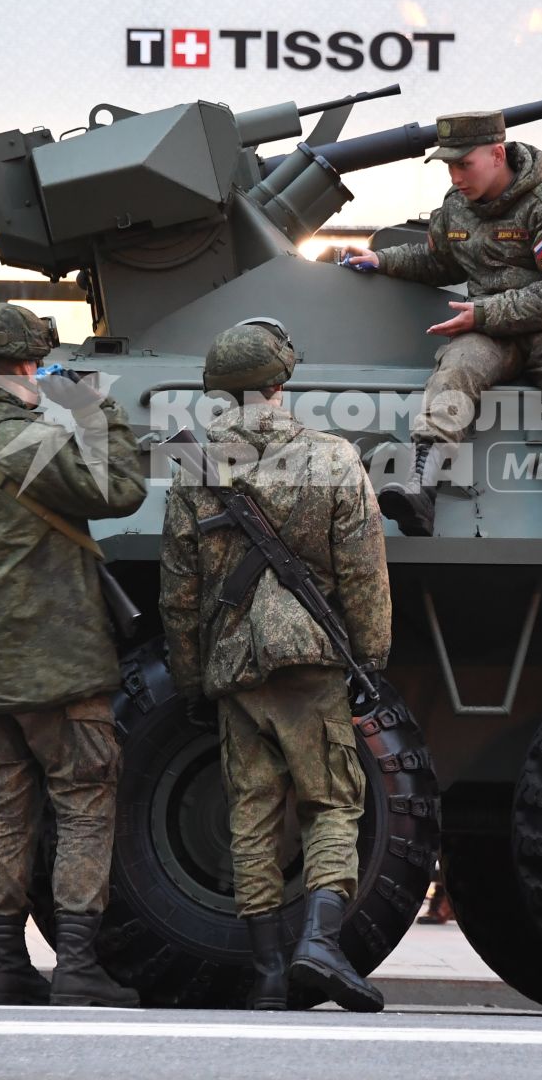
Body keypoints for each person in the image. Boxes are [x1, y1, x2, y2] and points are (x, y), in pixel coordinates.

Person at [159, 319, 393, 1012]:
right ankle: (318, 944)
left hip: (234, 667)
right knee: (331, 803)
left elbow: (178, 593)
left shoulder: (195, 468)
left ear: (220, 395)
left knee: (250, 815)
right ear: (279, 384)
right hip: (312, 661)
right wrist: (370, 658)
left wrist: (190, 677)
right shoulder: (331, 458)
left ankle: (267, 971)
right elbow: (363, 574)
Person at [0, 303, 147, 1007]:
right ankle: (77, 965)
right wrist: (98, 409)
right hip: (56, 663)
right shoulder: (25, 440)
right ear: (25, 366)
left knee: (7, 806)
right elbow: (120, 490)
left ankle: (5, 964)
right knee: (82, 800)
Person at [339, 110, 542, 542]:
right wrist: (384, 260)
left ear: (496, 154)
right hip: (490, 328)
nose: (455, 176)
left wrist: (485, 314)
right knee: (457, 366)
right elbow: (439, 262)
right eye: (449, 165)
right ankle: (420, 490)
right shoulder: (457, 209)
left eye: (463, 164)